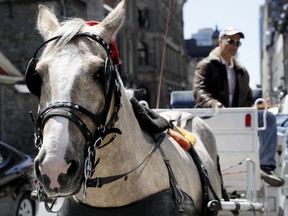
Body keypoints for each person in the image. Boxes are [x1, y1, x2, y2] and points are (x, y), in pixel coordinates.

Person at [192, 27, 284, 187]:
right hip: (213, 116)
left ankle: (265, 166)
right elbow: (199, 91)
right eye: (231, 41)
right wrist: (213, 103)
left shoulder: (241, 71)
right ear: (220, 42)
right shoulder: (206, 65)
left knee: (267, 117)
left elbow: (247, 98)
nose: (234, 45)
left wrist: (249, 110)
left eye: (238, 43)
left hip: (237, 118)